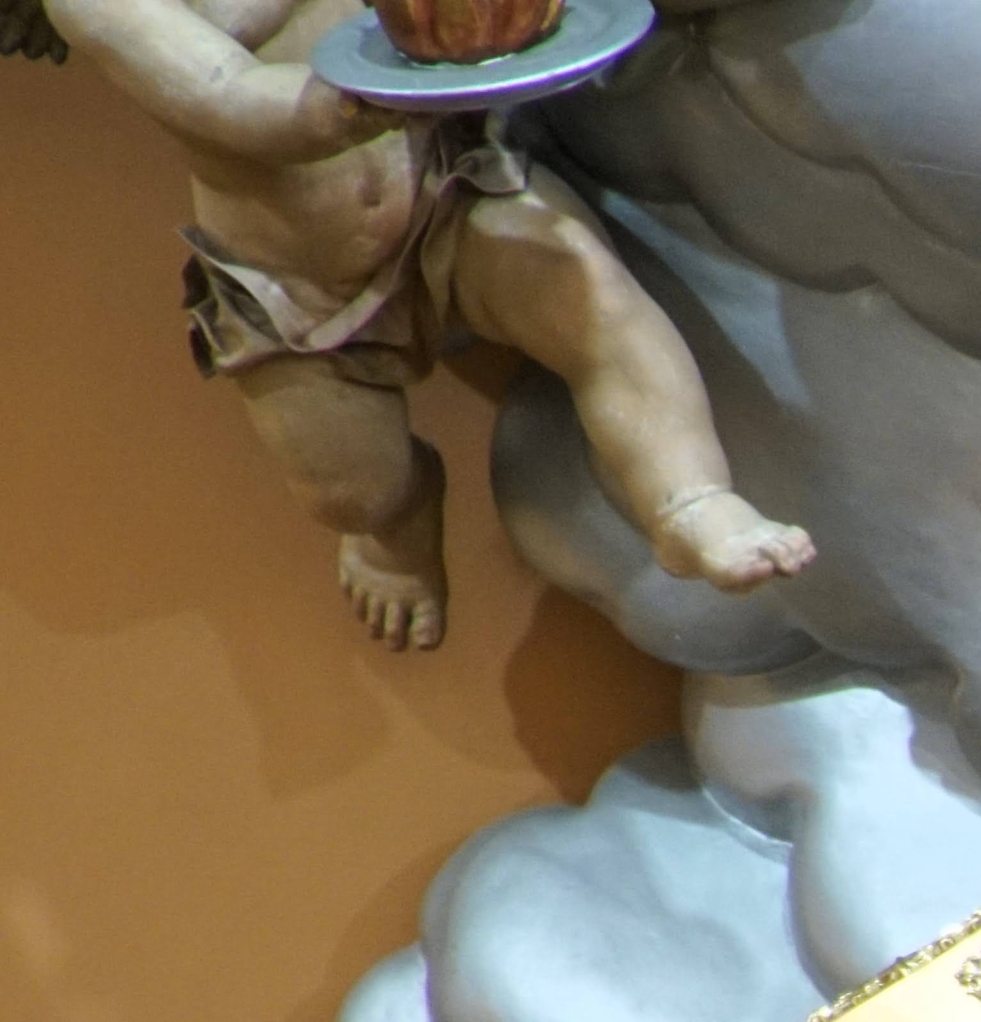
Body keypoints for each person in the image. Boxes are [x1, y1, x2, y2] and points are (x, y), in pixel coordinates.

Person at [36, 0, 813, 648]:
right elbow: (220, 93)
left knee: (593, 299)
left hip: (447, 187)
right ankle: (396, 534)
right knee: (350, 492)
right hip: (295, 289)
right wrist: (351, 105)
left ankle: (689, 502)